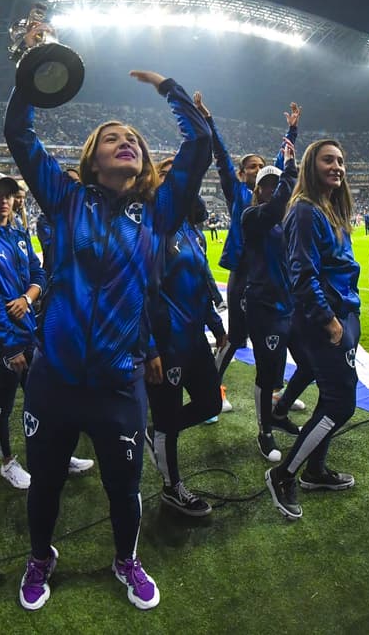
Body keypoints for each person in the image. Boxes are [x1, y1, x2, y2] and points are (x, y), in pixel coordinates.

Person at [4, 32, 210, 612]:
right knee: (44, 483)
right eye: (112, 139)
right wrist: (32, 73)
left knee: (125, 488)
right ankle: (40, 555)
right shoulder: (65, 200)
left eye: (134, 141)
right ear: (92, 158)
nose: (126, 143)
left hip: (119, 384)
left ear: (142, 161)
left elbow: (198, 148)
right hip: (55, 380)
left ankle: (127, 559)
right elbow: (18, 133)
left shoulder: (159, 213)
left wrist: (171, 91)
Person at [0, 172, 94, 489]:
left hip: (28, 332)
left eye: (8, 195)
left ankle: (58, 454)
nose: (3, 200)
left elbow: (39, 273)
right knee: (0, 405)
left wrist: (26, 297)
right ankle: (7, 463)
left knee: (46, 399)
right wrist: (10, 346)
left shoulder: (18, 235)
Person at [265, 139, 361, 520]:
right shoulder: (304, 211)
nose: (337, 166)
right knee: (341, 403)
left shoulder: (330, 208)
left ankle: (316, 471)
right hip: (325, 321)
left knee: (335, 398)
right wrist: (330, 320)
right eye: (328, 160)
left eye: (340, 160)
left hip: (343, 314)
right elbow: (302, 276)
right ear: (310, 165)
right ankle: (284, 474)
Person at [146, 156, 226, 518]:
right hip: (166, 343)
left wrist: (214, 321)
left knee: (210, 404)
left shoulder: (190, 229)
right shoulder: (150, 229)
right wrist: (150, 348)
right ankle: (171, 486)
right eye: (167, 176)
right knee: (167, 414)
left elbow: (198, 281)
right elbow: (142, 293)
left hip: (193, 338)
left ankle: (157, 434)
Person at [204, 97, 298, 386]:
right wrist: (209, 122)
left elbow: (282, 164)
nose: (259, 168)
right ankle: (211, 386)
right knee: (235, 338)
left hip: (269, 276)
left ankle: (272, 388)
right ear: (242, 173)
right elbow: (221, 156)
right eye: (252, 166)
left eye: (262, 165)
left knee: (270, 335)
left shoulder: (270, 201)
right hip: (243, 274)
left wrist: (292, 131)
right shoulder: (237, 195)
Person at [240, 147, 303, 464]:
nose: (277, 188)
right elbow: (278, 203)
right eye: (271, 183)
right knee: (267, 376)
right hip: (264, 307)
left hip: (289, 305)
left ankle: (280, 411)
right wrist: (289, 168)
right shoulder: (252, 216)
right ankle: (264, 430)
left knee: (309, 364)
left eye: (279, 182)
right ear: (259, 190)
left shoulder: (285, 221)